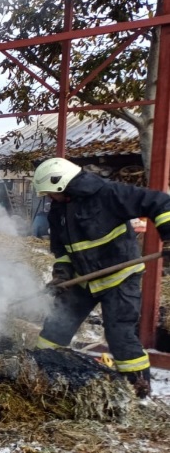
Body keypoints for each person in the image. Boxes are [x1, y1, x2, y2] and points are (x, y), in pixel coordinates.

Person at [32, 157, 170, 398]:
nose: (48, 197)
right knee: (54, 329)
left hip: (119, 277)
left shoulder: (109, 194)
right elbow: (62, 250)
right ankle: (41, 376)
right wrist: (61, 275)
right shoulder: (58, 209)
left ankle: (138, 391)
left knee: (120, 336)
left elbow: (160, 202)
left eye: (50, 192)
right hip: (83, 280)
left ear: (62, 184)